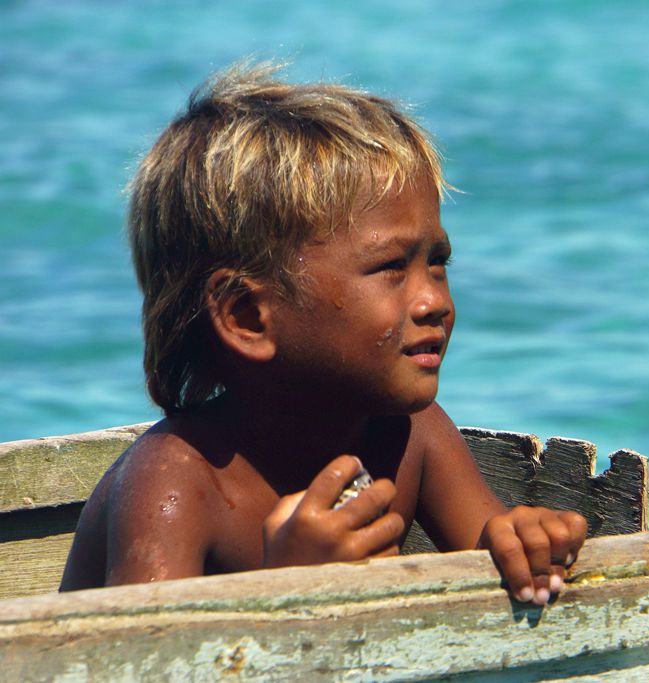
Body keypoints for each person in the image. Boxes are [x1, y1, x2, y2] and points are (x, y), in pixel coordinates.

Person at [59, 63, 586, 606]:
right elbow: (143, 658)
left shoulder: (412, 435)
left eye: (437, 261)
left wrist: (520, 540)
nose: (435, 301)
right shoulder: (176, 483)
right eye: (391, 267)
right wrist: (287, 590)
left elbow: (489, 569)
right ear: (247, 316)